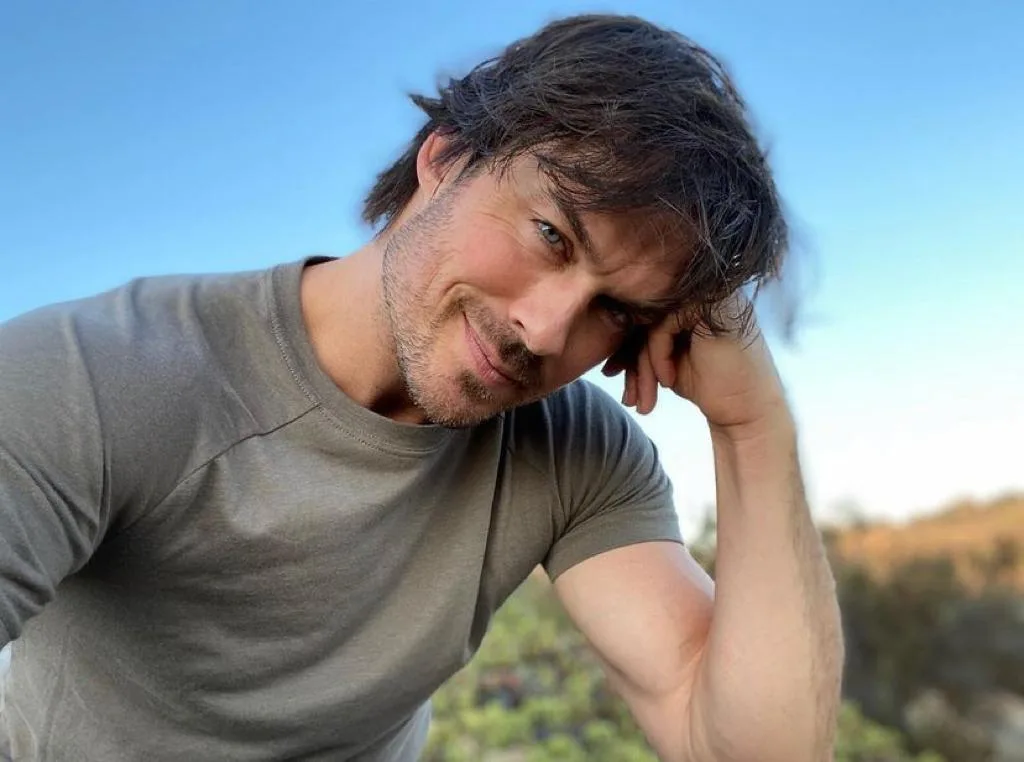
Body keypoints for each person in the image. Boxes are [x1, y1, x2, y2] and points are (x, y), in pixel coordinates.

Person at [0, 13, 843, 762]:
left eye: (613, 309)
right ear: (443, 159)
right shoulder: (96, 375)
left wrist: (754, 427)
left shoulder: (575, 451)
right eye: (551, 235)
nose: (547, 331)